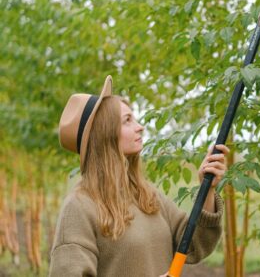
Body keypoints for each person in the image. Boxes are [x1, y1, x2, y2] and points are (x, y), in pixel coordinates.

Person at [49, 76, 230, 277]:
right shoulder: (79, 207)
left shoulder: (145, 194)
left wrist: (208, 188)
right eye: (127, 120)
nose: (140, 126)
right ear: (105, 134)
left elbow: (194, 244)